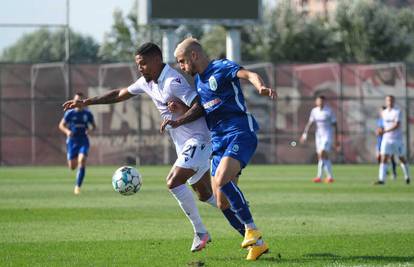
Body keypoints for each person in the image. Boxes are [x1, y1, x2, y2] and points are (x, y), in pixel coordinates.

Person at [63, 42, 228, 253]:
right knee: (205, 194)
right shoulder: (147, 82)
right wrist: (86, 102)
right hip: (184, 143)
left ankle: (201, 232)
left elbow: (199, 105)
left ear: (156, 61)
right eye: (137, 64)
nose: (139, 68)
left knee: (173, 182)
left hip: (200, 138)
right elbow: (119, 94)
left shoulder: (172, 81)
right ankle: (243, 218)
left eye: (142, 64)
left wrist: (178, 121)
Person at [164, 37, 277, 261]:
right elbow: (206, 109)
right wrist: (181, 109)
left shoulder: (222, 67)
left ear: (194, 55)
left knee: (223, 179)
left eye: (182, 61)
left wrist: (260, 86)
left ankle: (252, 229)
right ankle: (258, 245)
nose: (181, 67)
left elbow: (249, 74)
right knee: (220, 201)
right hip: (219, 141)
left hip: (240, 132)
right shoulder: (199, 82)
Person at [59, 92, 96, 195]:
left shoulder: (87, 114)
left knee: (82, 160)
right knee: (72, 167)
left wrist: (90, 130)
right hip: (72, 141)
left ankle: (77, 186)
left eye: (79, 101)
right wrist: (67, 131)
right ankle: (71, 159)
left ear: (82, 102)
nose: (77, 102)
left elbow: (94, 126)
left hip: (83, 140)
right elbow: (61, 125)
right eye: (76, 100)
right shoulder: (70, 113)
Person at [300, 95, 338, 183]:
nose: (320, 102)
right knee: (322, 157)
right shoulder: (314, 111)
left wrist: (336, 139)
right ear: (316, 102)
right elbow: (310, 123)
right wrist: (304, 134)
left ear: (324, 102)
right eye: (318, 101)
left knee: (322, 154)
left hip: (327, 135)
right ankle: (328, 177)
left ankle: (321, 176)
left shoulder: (329, 111)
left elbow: (335, 125)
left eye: (321, 101)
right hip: (319, 136)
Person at [374, 95, 410, 185]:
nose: (389, 102)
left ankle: (407, 176)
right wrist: (379, 130)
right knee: (383, 158)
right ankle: (381, 179)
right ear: (386, 101)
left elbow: (396, 125)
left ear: (393, 101)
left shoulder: (397, 112)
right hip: (386, 139)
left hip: (396, 139)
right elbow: (382, 125)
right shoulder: (384, 113)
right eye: (387, 100)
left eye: (391, 100)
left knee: (401, 158)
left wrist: (384, 131)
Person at [376, 106, 397, 180]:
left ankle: (394, 173)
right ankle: (385, 171)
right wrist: (378, 132)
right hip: (379, 140)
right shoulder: (379, 120)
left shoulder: (388, 119)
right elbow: (378, 129)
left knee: (391, 157)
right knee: (378, 157)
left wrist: (382, 131)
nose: (381, 112)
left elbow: (386, 128)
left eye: (382, 111)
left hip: (388, 140)